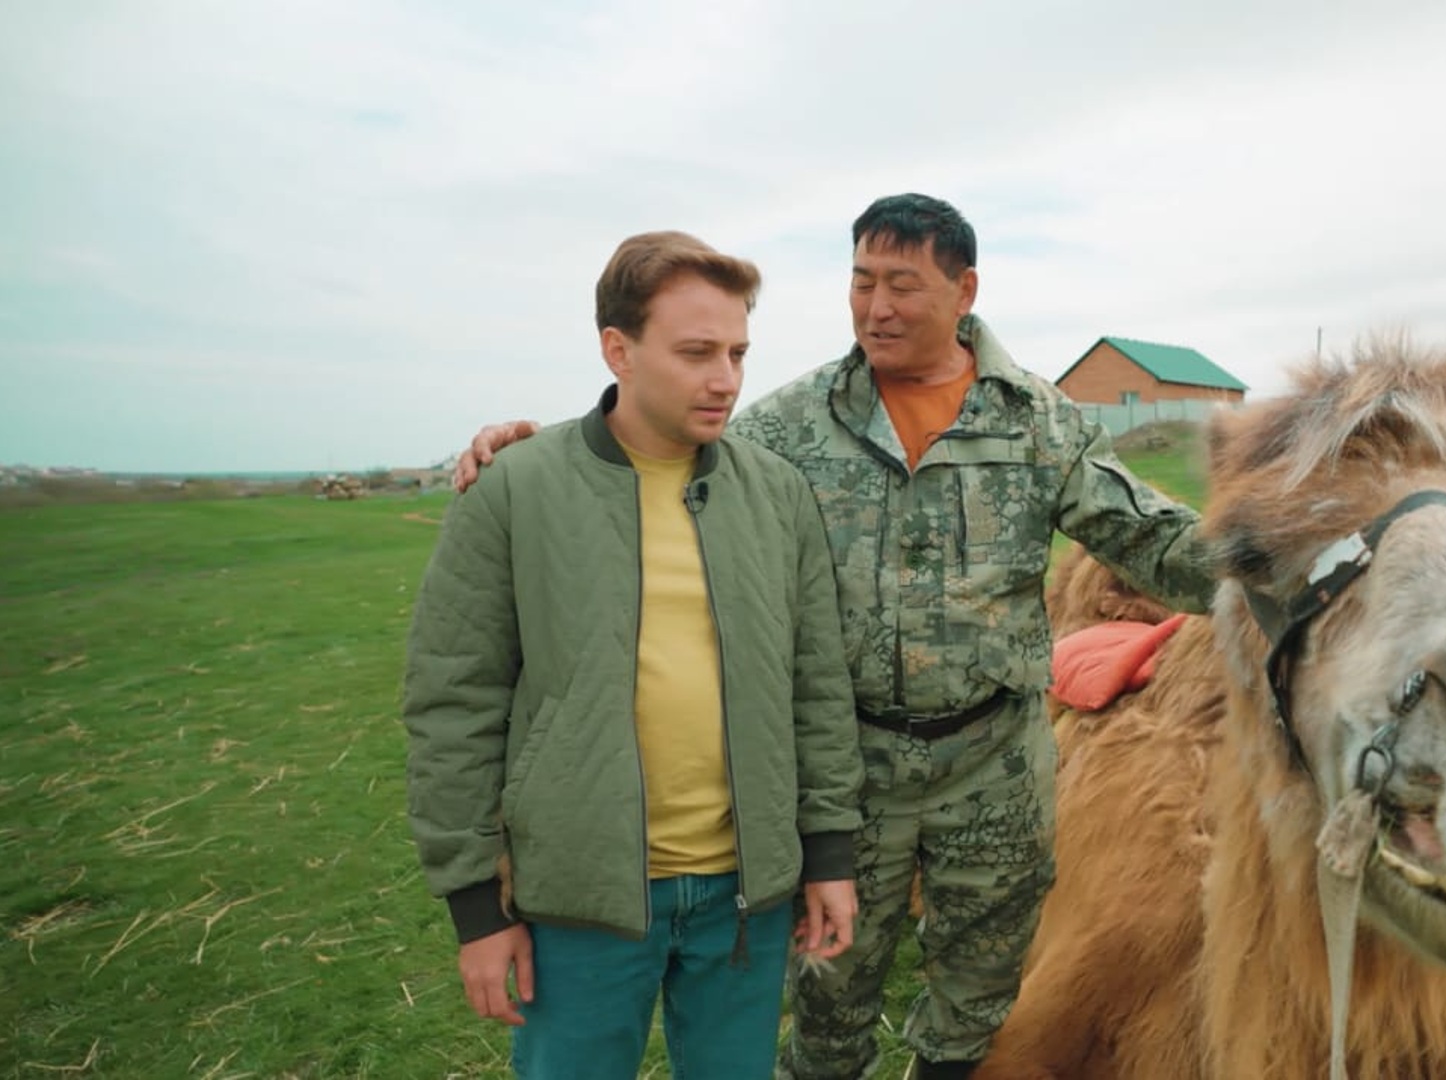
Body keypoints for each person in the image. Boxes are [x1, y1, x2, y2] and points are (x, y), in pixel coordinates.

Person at [456, 195, 1215, 1080]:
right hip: (844, 773)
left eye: (903, 285)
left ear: (965, 291)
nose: (876, 308)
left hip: (995, 770)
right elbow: (655, 459)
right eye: (861, 282)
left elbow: (1152, 541)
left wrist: (1304, 560)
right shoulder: (791, 424)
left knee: (979, 1000)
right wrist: (536, 452)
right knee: (827, 1000)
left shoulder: (1039, 422)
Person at [405, 230, 863, 1079]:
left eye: (737, 352)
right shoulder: (514, 489)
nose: (725, 378)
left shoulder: (777, 494)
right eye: (696, 353)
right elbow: (452, 704)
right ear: (618, 349)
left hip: (745, 898)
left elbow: (817, 688)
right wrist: (475, 908)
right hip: (581, 900)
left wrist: (828, 853)